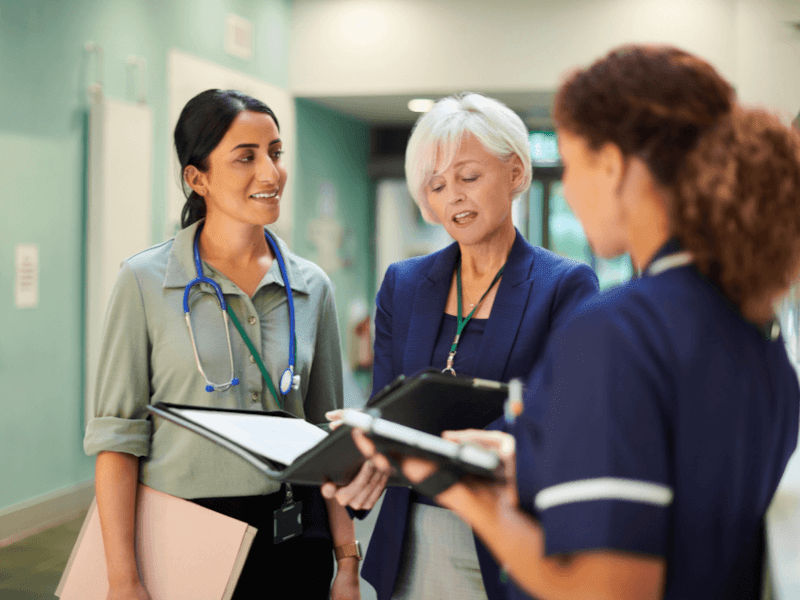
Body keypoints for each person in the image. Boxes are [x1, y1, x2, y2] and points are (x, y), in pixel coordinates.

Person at [355, 45, 800, 600]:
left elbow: (606, 589)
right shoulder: (759, 332)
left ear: (611, 164)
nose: (565, 189)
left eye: (569, 165)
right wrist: (526, 457)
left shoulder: (620, 333)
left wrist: (449, 479)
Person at [83, 89, 360, 600]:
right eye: (246, 157)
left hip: (295, 533)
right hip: (185, 532)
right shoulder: (145, 282)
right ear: (197, 177)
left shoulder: (311, 286)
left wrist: (347, 559)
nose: (270, 174)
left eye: (275, 153)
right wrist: (123, 579)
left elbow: (327, 436)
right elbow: (117, 442)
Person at [322, 92, 599, 600]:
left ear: (515, 173)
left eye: (469, 177)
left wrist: (426, 449)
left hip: (510, 533)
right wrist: (364, 451)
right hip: (411, 539)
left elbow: (559, 418)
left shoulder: (564, 285)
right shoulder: (403, 285)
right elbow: (387, 408)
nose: (454, 197)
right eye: (437, 185)